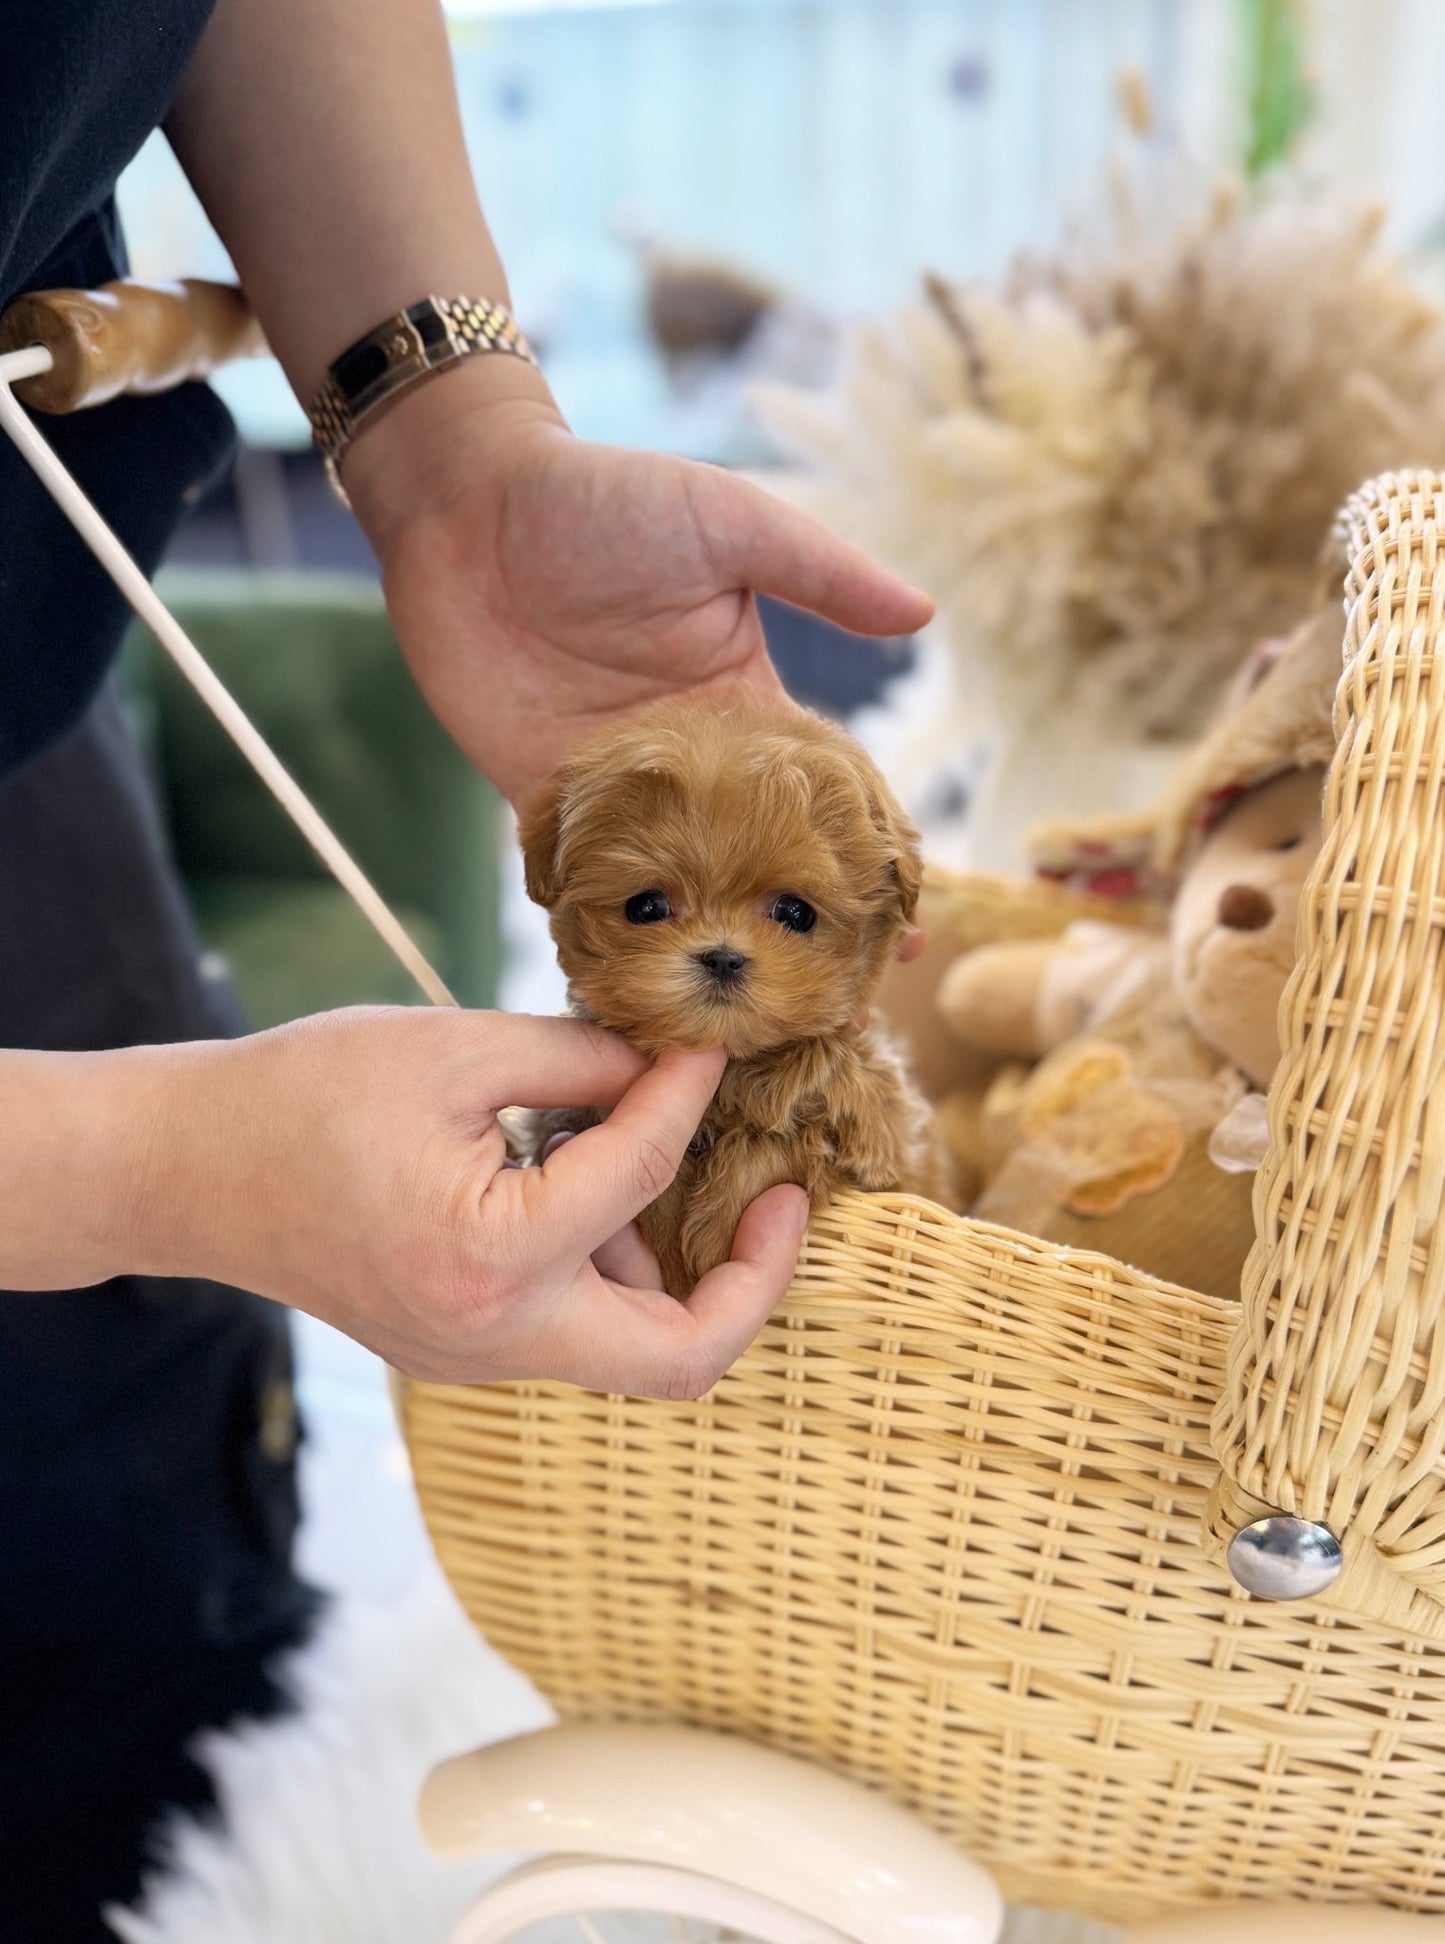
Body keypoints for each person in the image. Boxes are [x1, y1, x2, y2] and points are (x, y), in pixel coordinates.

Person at [0, 0, 932, 1934]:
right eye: (661, 916)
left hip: (25, 699)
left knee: (138, 1611)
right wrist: (143, 1169)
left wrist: (453, 443)